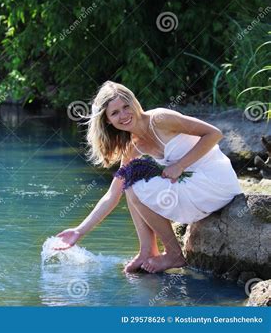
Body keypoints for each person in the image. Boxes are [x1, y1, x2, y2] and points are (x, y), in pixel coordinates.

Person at [55, 81, 242, 273]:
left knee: (134, 180)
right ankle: (147, 250)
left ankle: (174, 254)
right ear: (108, 121)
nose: (124, 115)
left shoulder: (160, 119)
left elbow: (214, 134)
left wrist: (180, 165)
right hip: (193, 188)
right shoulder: (133, 146)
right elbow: (113, 194)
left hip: (215, 182)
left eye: (126, 106)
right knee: (129, 180)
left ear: (134, 103)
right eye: (115, 113)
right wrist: (79, 230)